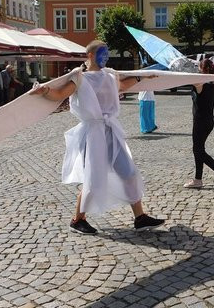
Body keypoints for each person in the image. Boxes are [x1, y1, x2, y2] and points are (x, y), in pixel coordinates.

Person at [30, 40, 165, 235]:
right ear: (91, 55)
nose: (106, 56)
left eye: (107, 52)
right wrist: (45, 91)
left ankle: (140, 217)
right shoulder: (79, 78)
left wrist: (141, 77)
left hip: (111, 130)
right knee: (93, 179)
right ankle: (78, 219)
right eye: (103, 52)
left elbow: (122, 85)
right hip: (92, 134)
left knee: (129, 173)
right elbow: (60, 94)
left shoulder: (109, 75)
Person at [184, 58, 214, 189]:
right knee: (199, 150)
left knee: (198, 151)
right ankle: (198, 179)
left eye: (199, 68)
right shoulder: (211, 83)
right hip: (207, 121)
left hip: (201, 122)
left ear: (203, 70)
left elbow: (187, 78)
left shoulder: (200, 83)